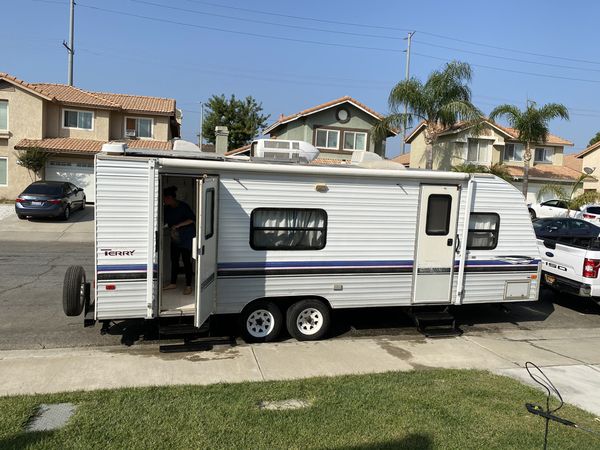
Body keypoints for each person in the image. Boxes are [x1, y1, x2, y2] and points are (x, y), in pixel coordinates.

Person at [163, 186, 195, 295]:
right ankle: (173, 283)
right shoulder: (166, 209)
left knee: (186, 261)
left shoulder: (183, 206)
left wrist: (178, 225)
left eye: (165, 199)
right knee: (174, 260)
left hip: (186, 237)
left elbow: (192, 219)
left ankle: (188, 286)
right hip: (175, 238)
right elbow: (164, 222)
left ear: (171, 198)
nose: (164, 201)